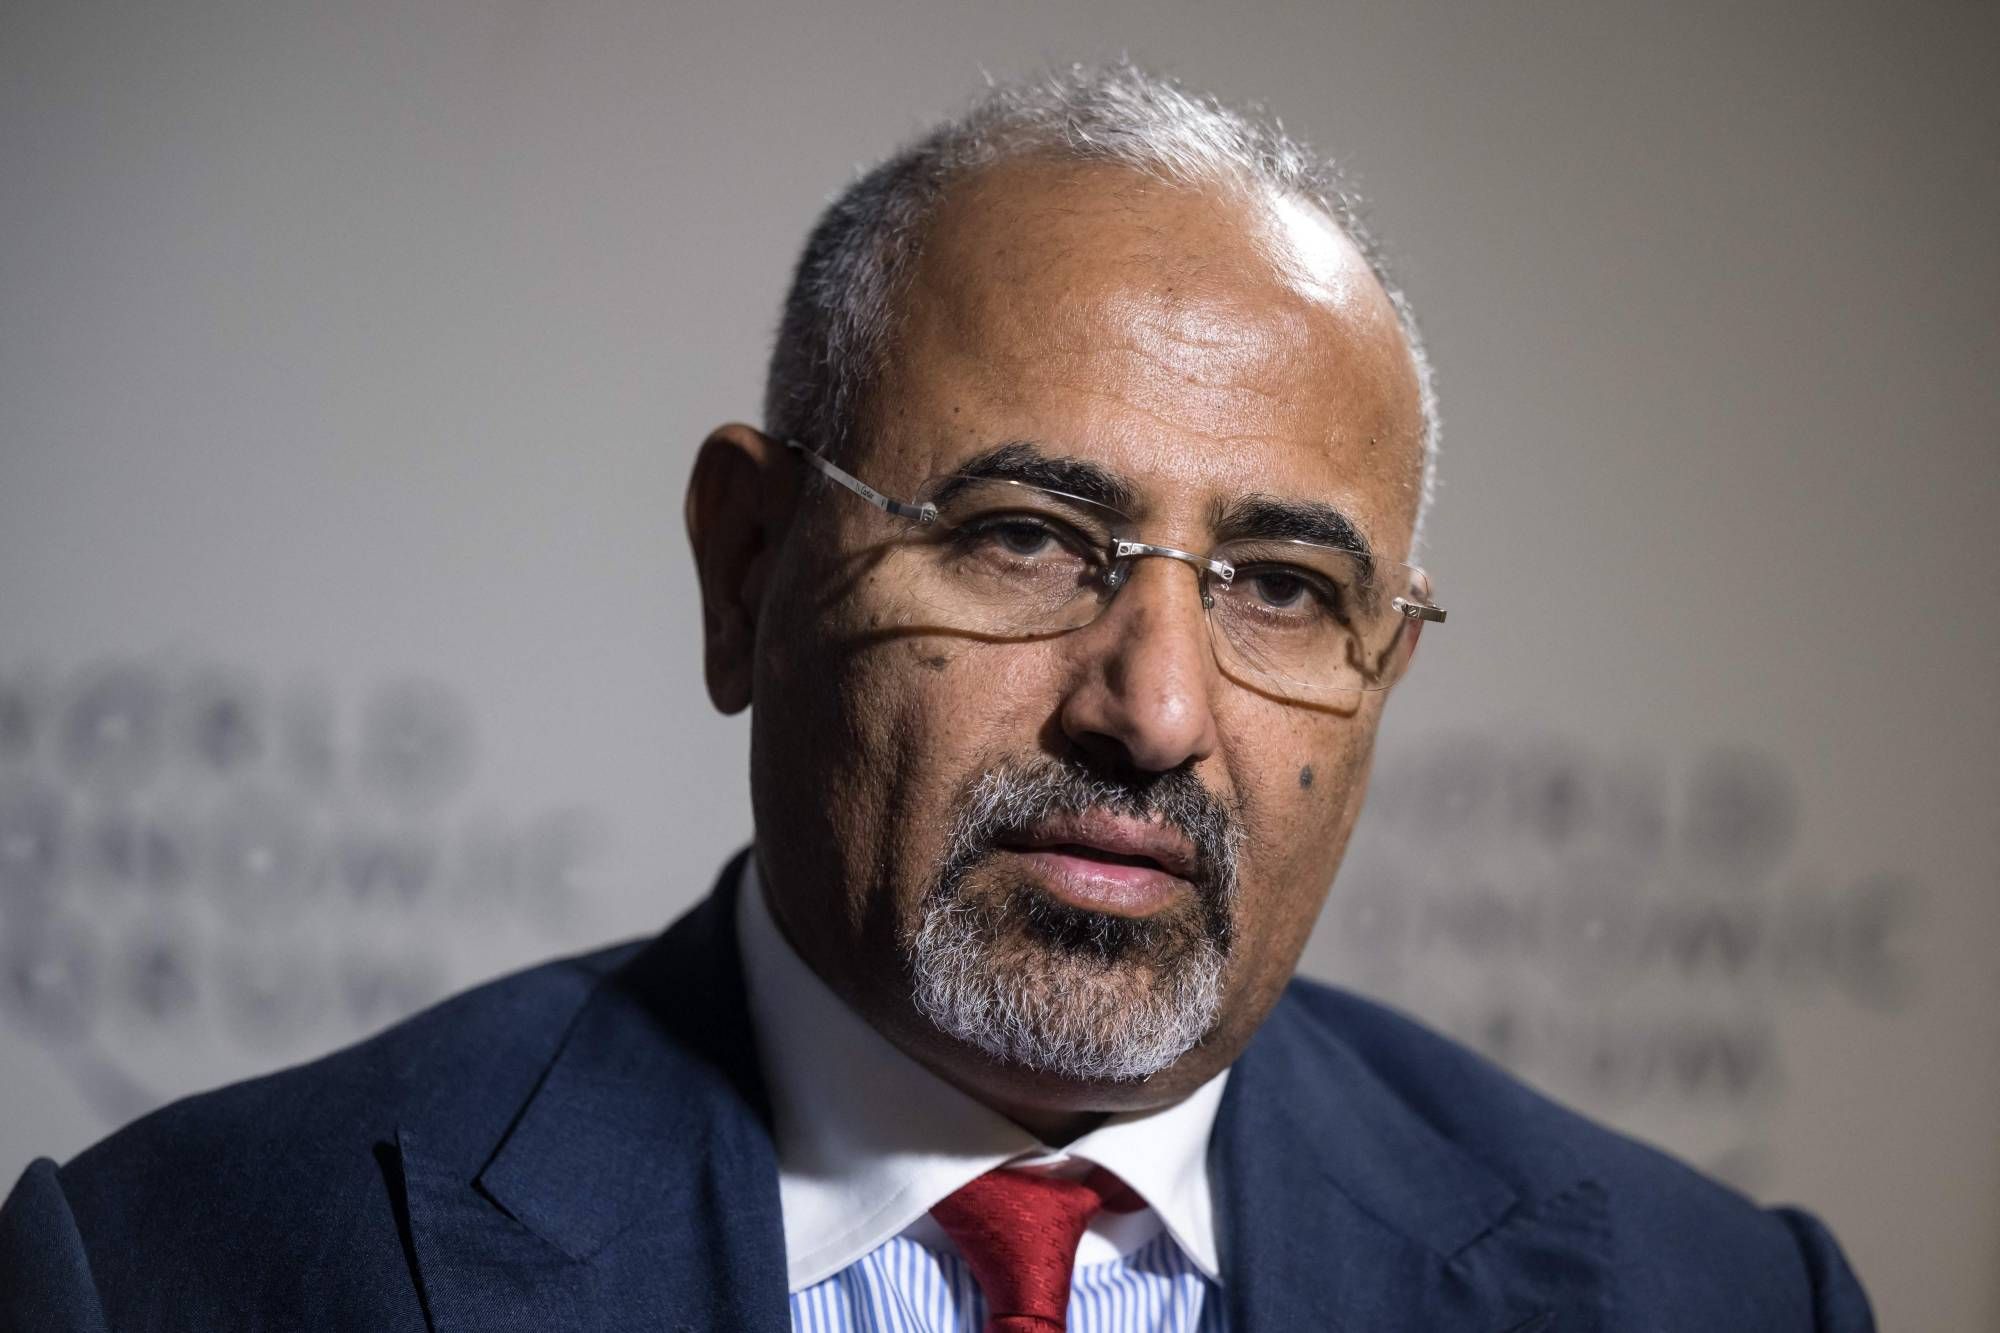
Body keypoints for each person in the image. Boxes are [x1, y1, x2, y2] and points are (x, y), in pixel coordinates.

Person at [0, 62, 1871, 1332]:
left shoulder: (1719, 1298)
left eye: (1283, 586)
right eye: (1028, 538)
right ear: (749, 568)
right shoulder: (179, 1271)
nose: (1153, 710)